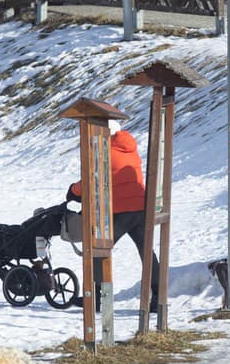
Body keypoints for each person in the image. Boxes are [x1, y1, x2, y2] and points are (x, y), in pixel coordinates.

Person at [67, 121, 161, 312]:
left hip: (119, 211)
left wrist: (73, 191)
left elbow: (91, 178)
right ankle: (158, 298)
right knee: (147, 253)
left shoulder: (105, 151)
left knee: (97, 251)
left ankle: (96, 299)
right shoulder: (129, 148)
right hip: (140, 208)